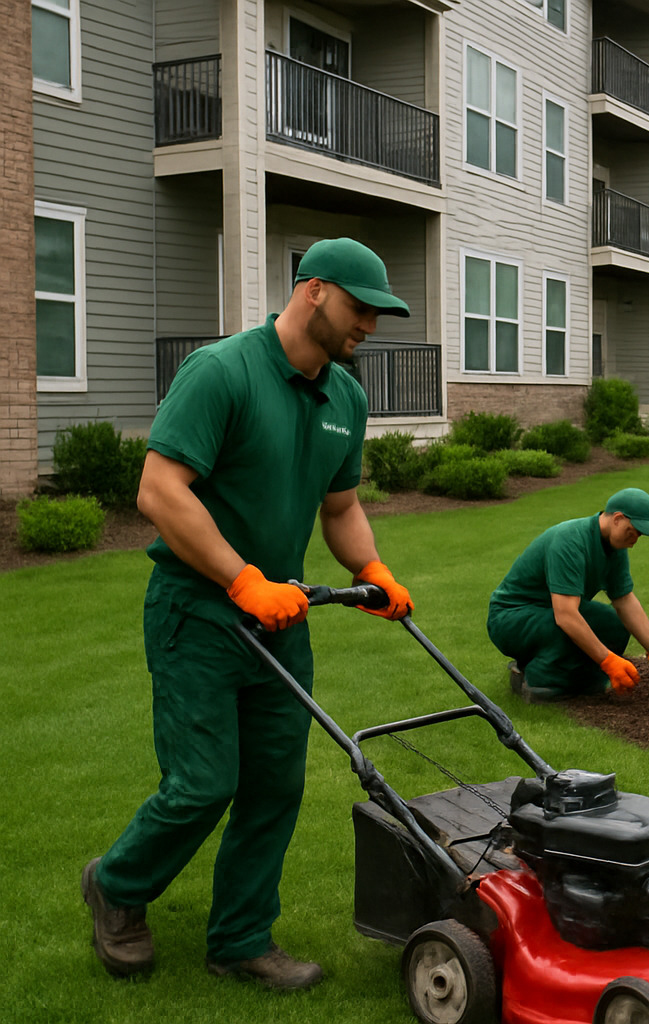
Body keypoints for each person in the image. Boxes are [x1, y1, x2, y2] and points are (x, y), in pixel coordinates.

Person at [81, 238, 416, 989]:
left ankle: (240, 939)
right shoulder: (222, 371)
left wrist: (371, 569)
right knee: (203, 782)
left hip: (280, 618)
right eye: (362, 308)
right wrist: (241, 580)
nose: (371, 324)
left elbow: (341, 504)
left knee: (275, 785)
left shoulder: (345, 396)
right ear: (315, 291)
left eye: (377, 313)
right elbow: (160, 491)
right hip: (198, 612)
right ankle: (118, 885)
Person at [487, 488, 649, 701]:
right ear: (617, 518)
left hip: (546, 611)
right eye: (633, 531)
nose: (635, 540)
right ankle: (536, 680)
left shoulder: (615, 547)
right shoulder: (570, 540)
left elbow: (624, 600)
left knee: (613, 625)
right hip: (510, 619)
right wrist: (609, 661)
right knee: (564, 627)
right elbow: (566, 615)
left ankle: (579, 682)